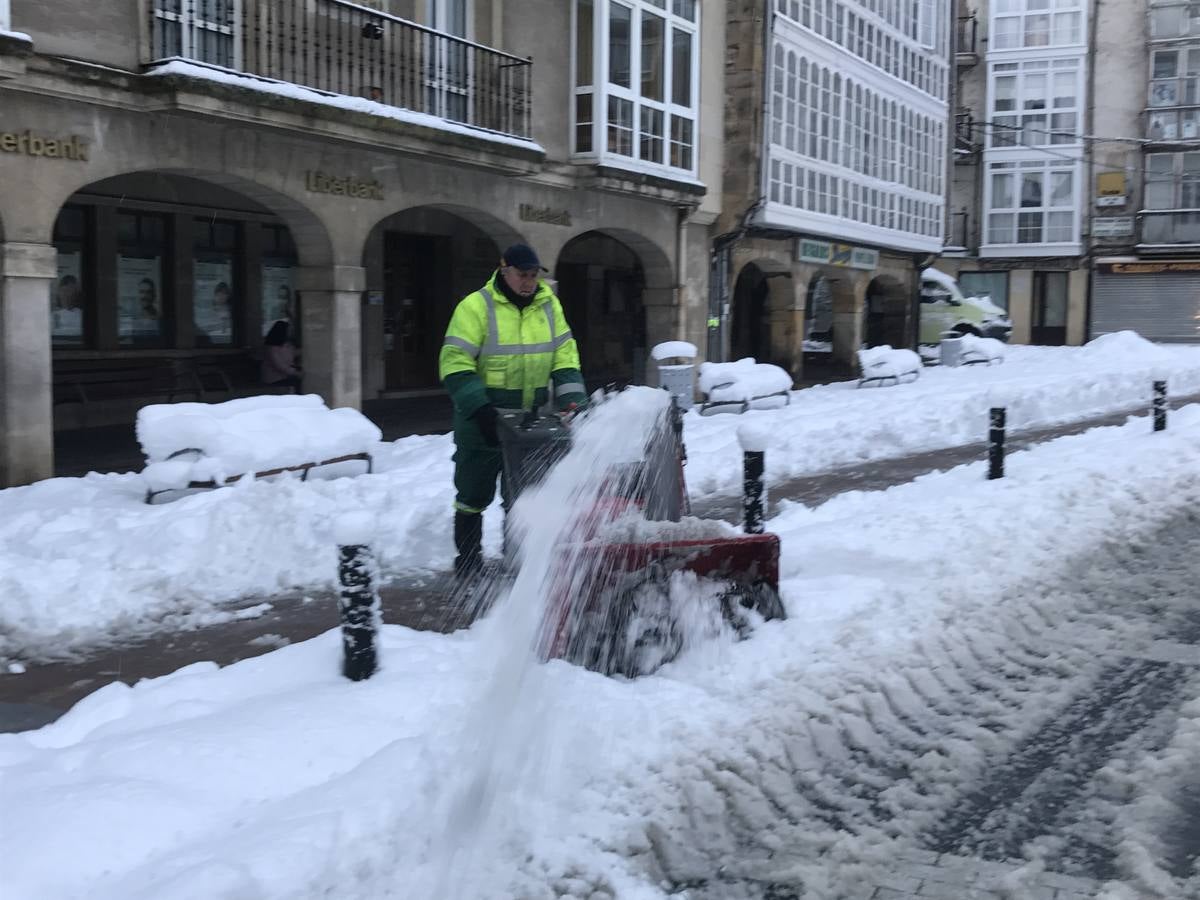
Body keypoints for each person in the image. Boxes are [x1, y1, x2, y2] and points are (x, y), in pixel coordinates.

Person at [439, 243, 587, 577]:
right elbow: (455, 363)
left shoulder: (550, 306)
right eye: (523, 274)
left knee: (522, 497)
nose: (529, 282)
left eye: (534, 275)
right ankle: (468, 562)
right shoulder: (476, 306)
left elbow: (565, 358)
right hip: (482, 420)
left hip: (528, 424)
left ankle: (518, 563)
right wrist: (480, 410)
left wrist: (575, 404)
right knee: (472, 494)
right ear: (504, 271)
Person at [262, 319, 302, 391]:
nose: (290, 332)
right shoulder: (272, 347)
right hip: (275, 379)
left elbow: (293, 353)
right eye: (288, 330)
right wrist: (295, 373)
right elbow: (279, 365)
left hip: (286, 375)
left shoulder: (287, 343)